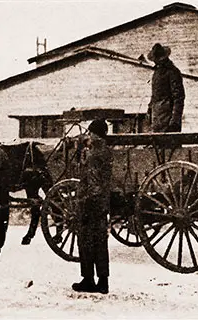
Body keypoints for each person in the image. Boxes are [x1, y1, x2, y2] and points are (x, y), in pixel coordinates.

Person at [72, 119, 113, 293]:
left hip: (90, 202)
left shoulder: (94, 153)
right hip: (101, 202)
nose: (88, 135)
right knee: (100, 242)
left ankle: (88, 279)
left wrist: (86, 200)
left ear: (95, 134)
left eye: (90, 133)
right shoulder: (105, 150)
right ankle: (103, 281)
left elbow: (91, 178)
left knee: (86, 241)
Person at [147, 43, 185, 132]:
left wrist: (175, 120)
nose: (156, 62)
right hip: (156, 119)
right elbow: (155, 95)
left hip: (168, 120)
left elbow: (179, 97)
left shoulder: (172, 72)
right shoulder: (157, 73)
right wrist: (149, 109)